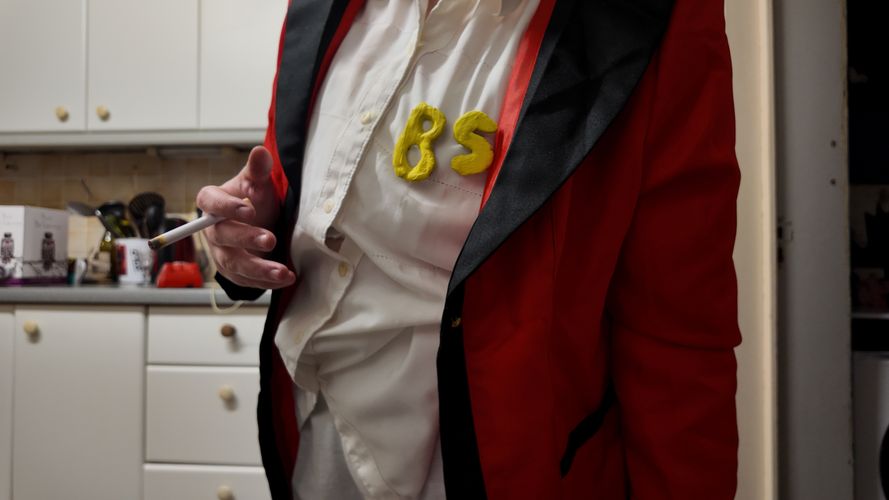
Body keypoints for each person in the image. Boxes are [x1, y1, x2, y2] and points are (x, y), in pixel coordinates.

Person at [198, 0, 741, 498]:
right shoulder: (319, 9)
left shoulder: (655, 19)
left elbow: (680, 340)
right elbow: (301, 201)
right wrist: (253, 233)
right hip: (311, 451)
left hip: (493, 469)